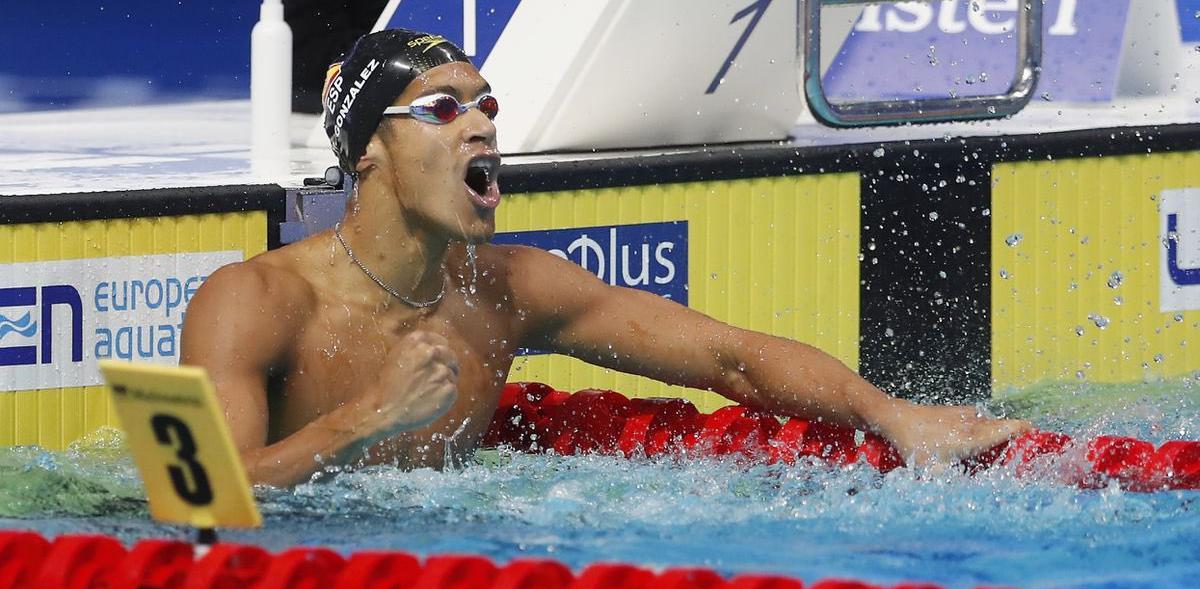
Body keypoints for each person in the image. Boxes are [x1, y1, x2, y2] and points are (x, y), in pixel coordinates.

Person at [181, 30, 1030, 488]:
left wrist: (889, 412)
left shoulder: (503, 292)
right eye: (442, 110)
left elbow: (726, 356)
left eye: (487, 106)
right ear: (365, 152)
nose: (480, 126)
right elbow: (191, 497)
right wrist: (365, 419)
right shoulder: (253, 300)